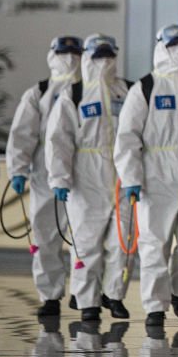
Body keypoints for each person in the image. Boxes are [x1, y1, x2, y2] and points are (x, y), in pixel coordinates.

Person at [114, 24, 178, 327]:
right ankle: (155, 307)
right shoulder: (145, 87)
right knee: (155, 242)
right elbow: (127, 136)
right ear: (161, 47)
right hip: (156, 174)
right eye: (174, 43)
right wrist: (131, 177)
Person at [45, 34, 135, 323]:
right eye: (98, 56)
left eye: (109, 55)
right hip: (86, 176)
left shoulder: (128, 91)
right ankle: (87, 302)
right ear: (87, 57)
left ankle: (114, 294)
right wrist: (59, 178)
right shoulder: (74, 94)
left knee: (123, 241)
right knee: (86, 244)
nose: (104, 61)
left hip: (123, 174)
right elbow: (58, 139)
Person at [6, 36, 83, 317]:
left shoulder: (90, 91)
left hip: (84, 177)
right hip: (44, 177)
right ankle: (50, 296)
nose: (70, 57)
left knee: (84, 237)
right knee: (45, 236)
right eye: (65, 52)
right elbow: (22, 134)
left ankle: (82, 292)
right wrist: (18, 169)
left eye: (75, 52)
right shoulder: (38, 93)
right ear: (53, 55)